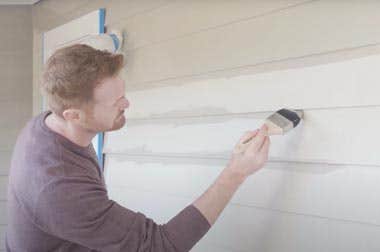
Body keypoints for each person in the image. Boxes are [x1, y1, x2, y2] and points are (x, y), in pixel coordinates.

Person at [6, 44, 270, 251]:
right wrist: (236, 172)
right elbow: (161, 246)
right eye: (116, 102)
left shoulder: (47, 125)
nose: (127, 104)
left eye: (123, 94)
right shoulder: (58, 187)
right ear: (74, 115)